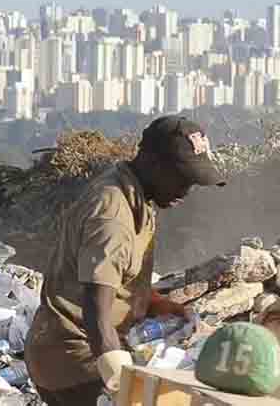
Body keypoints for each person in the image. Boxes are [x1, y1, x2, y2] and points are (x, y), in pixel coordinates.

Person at [23, 115, 226, 406]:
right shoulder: (113, 216)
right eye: (182, 178)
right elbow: (95, 305)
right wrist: (118, 377)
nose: (186, 190)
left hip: (72, 352)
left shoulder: (135, 197)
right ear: (153, 163)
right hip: (75, 361)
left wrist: (155, 303)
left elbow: (116, 277)